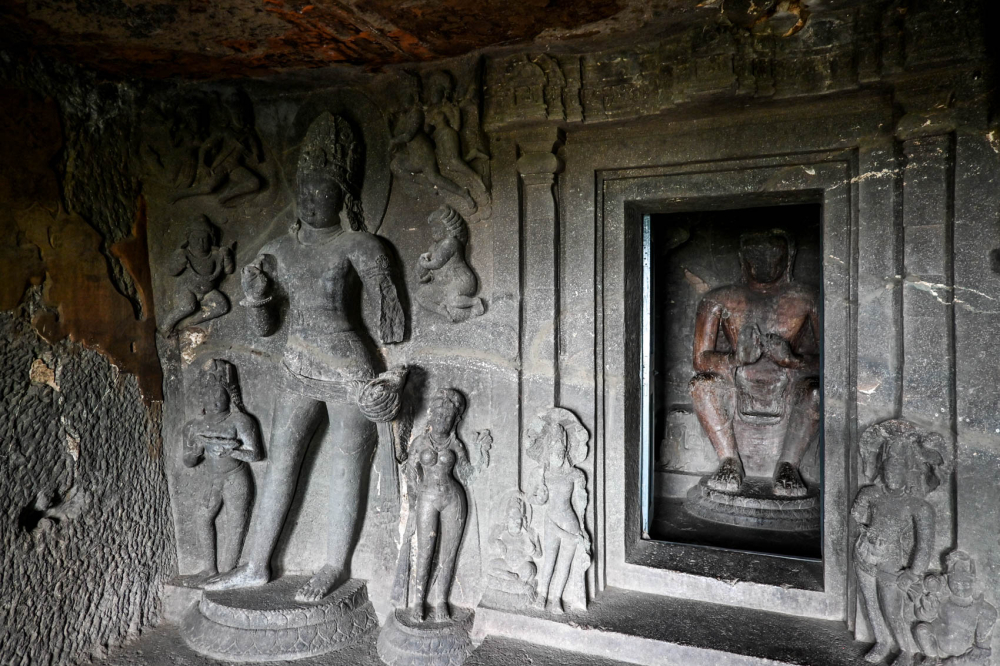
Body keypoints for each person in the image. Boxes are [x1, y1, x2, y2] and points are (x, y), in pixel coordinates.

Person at [204, 112, 405, 603]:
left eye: (324, 191)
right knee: (281, 465)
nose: (314, 199)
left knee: (345, 466)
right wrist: (255, 297)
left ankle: (334, 565)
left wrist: (379, 278)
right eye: (307, 190)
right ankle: (255, 564)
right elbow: (266, 329)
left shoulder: (360, 243)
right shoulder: (277, 250)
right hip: (296, 366)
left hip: (350, 369)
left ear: (344, 196)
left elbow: (393, 329)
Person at [690, 229, 820, 497]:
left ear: (788, 255)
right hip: (737, 387)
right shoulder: (718, 299)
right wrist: (735, 359)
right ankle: (728, 460)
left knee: (817, 393)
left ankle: (789, 465)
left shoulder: (807, 299)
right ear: (741, 257)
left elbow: (835, 363)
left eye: (772, 253)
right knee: (701, 386)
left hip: (787, 388)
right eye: (754, 253)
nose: (763, 262)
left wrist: (792, 360)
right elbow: (700, 359)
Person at [853, 431, 943, 665]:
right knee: (871, 604)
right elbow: (857, 514)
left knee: (892, 610)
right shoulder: (871, 493)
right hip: (864, 554)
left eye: (898, 469)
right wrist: (864, 521)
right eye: (888, 469)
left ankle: (906, 650)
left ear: (908, 473)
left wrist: (913, 573)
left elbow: (925, 545)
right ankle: (882, 642)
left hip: (892, 563)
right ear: (881, 471)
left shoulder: (919, 507)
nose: (892, 474)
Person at [182, 359, 262, 580]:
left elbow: (255, 454)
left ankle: (228, 571)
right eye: (209, 395)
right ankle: (209, 568)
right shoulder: (193, 427)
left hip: (237, 477)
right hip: (213, 479)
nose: (215, 400)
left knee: (236, 523)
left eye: (220, 395)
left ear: (230, 396)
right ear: (202, 398)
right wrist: (197, 449)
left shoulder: (240, 421)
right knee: (202, 517)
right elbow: (188, 462)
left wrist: (232, 451)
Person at [527, 413, 590, 615]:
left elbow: (581, 502)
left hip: (570, 521)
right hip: (551, 520)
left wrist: (582, 528)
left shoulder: (575, 474)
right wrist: (540, 496)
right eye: (554, 451)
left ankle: (556, 599)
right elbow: (533, 498)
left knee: (564, 564)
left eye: (562, 450)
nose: (559, 455)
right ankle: (542, 595)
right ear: (548, 451)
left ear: (566, 450)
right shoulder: (542, 473)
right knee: (549, 561)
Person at [913, 551, 997, 666]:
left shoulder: (985, 610)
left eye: (966, 584)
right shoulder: (942, 599)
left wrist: (952, 662)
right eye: (956, 583)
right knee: (921, 629)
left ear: (974, 581)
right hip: (936, 652)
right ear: (947, 579)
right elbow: (922, 617)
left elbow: (981, 652)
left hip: (962, 659)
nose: (961, 588)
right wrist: (926, 608)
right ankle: (931, 658)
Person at [160, 215, 234, 336]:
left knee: (222, 306)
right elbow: (171, 271)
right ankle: (165, 327)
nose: (201, 242)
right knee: (187, 307)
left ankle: (189, 323)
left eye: (204, 239)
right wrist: (180, 263)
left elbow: (229, 270)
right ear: (189, 239)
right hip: (187, 288)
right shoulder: (184, 253)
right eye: (196, 238)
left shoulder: (216, 254)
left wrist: (227, 257)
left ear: (210, 239)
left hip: (207, 291)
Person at [415, 205, 485, 322]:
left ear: (448, 228)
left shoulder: (451, 242)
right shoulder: (433, 247)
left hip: (461, 281)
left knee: (453, 299)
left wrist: (423, 262)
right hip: (444, 286)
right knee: (420, 295)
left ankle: (475, 302)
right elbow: (432, 271)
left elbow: (437, 264)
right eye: (432, 227)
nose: (433, 230)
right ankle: (441, 310)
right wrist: (426, 274)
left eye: (437, 226)